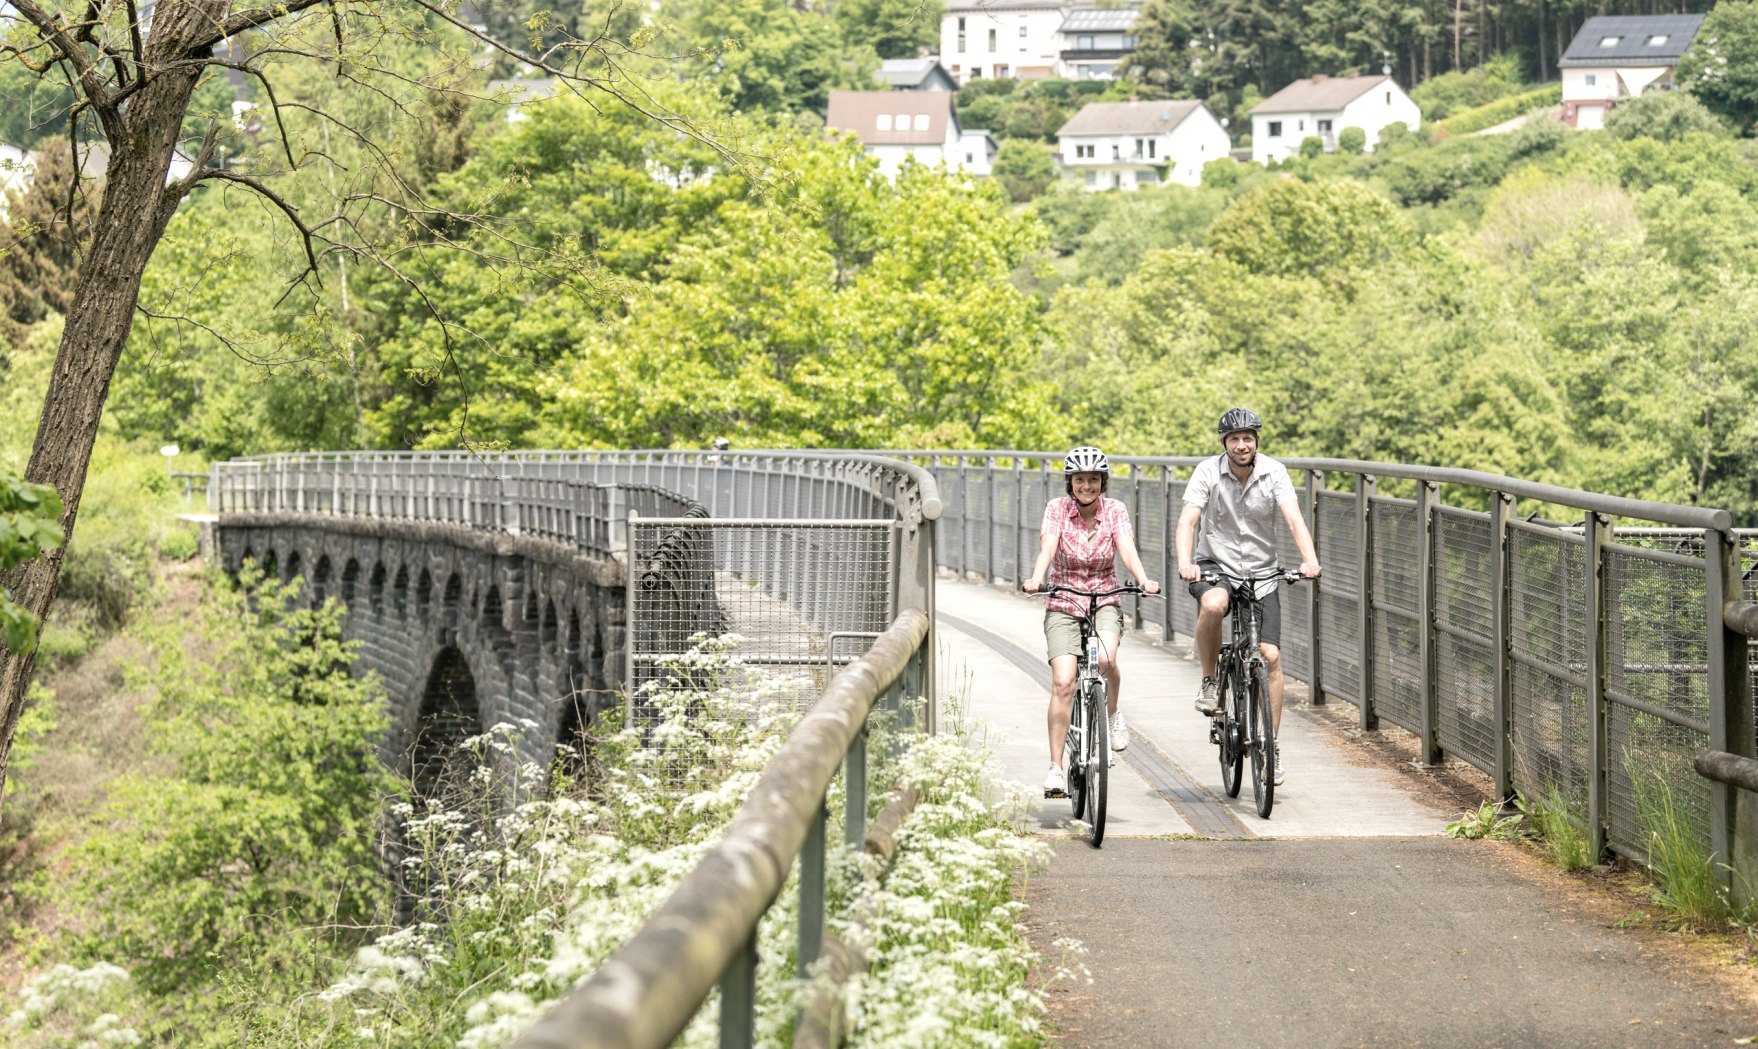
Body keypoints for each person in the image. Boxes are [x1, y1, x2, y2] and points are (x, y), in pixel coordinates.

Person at [1175, 408, 1321, 787]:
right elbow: (1188, 520)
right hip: (1216, 565)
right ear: (1224, 443)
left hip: (1261, 571)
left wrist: (1309, 559)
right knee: (1214, 604)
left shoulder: (1275, 472)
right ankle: (1210, 681)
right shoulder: (1207, 471)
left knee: (1269, 656)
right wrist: (1185, 562)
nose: (1242, 445)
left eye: (1248, 438)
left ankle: (1270, 745)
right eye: (1234, 439)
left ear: (1257, 441)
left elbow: (1293, 519)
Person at [1024, 445, 1159, 798]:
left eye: (1094, 479)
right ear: (1070, 482)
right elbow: (1048, 548)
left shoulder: (1115, 510)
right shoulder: (1057, 508)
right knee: (1064, 682)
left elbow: (1126, 548)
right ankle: (1056, 767)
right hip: (1064, 599)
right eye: (1080, 479)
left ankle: (1111, 714)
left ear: (1104, 482)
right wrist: (1037, 577)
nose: (1087, 486)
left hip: (1104, 598)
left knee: (1104, 660)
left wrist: (1143, 578)